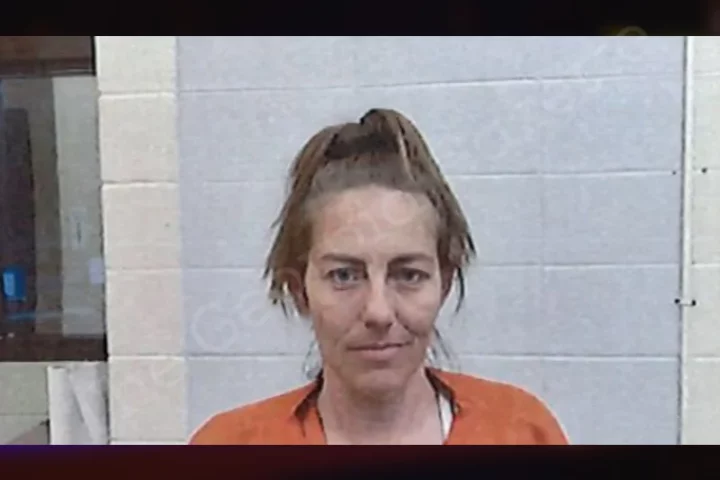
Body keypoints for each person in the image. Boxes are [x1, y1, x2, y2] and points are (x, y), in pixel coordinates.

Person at [190, 108, 568, 445]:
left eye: (409, 275)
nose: (378, 312)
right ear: (299, 290)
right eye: (343, 275)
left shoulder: (522, 432)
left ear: (445, 283)